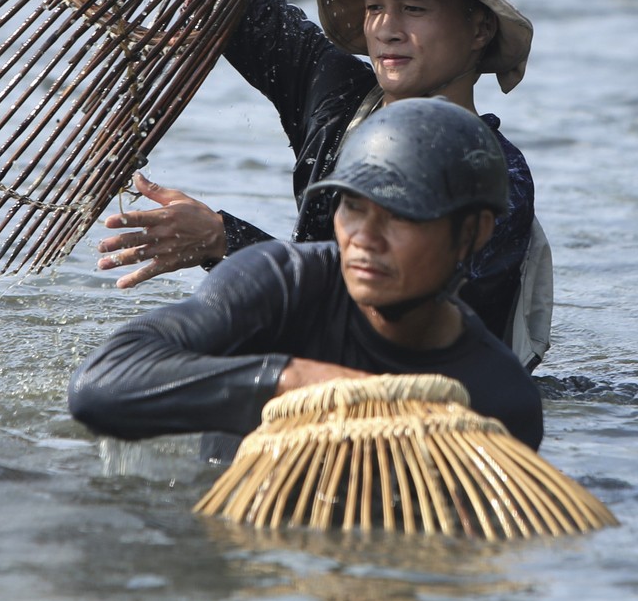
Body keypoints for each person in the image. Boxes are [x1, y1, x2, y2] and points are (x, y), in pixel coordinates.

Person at [95, 0, 552, 367]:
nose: (387, 29)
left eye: (413, 9)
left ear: (480, 28)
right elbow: (234, 1)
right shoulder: (338, 100)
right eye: (375, 6)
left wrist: (223, 240)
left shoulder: (494, 176)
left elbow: (391, 327)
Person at [70, 98, 544, 449]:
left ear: (473, 233)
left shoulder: (499, 398)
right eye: (352, 208)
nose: (364, 238)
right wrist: (294, 381)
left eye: (401, 216)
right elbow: (99, 387)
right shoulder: (282, 281)